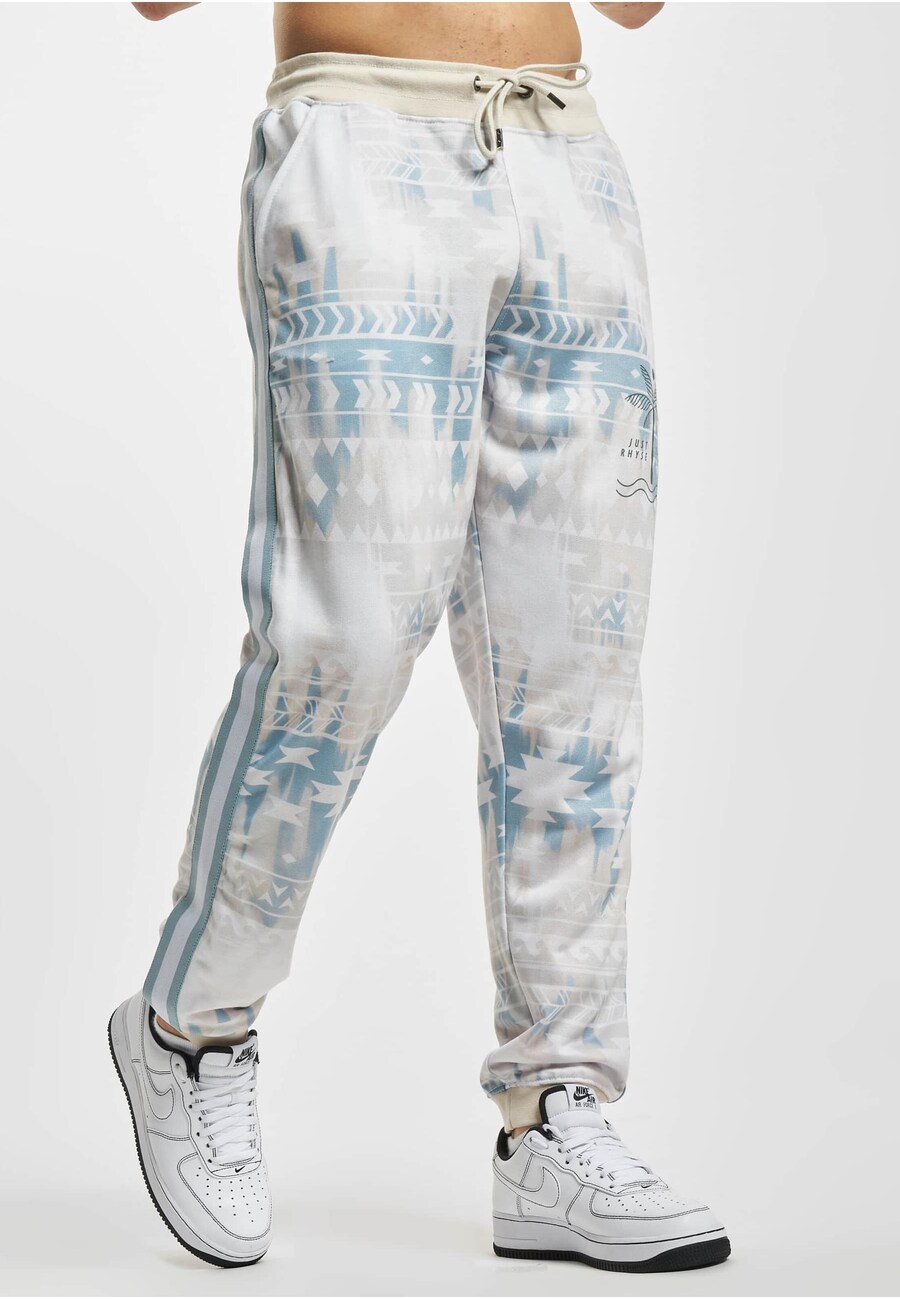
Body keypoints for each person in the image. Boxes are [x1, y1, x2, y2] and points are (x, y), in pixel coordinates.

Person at [109, 0, 730, 1273]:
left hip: (564, 157)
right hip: (360, 140)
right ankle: (191, 1025)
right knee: (340, 645)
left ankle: (553, 1112)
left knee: (576, 680)